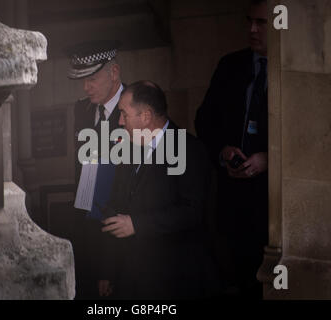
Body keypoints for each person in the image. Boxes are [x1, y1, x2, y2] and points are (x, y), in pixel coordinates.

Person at [99, 81, 219, 299]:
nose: (119, 121)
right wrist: (107, 271)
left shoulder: (189, 149)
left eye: (124, 114)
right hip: (131, 280)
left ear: (145, 116)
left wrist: (137, 224)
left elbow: (192, 212)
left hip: (174, 282)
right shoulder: (128, 149)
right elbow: (115, 208)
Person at [194, 0, 269, 299]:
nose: (252, 29)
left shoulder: (295, 72)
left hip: (274, 204)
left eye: (261, 22)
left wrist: (270, 161)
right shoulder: (231, 65)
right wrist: (223, 150)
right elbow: (204, 120)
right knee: (241, 277)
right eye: (249, 20)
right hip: (233, 199)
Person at [65, 40, 124, 299]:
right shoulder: (83, 109)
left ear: (114, 73)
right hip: (86, 223)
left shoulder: (137, 108)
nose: (85, 87)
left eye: (92, 78)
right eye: (82, 79)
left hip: (122, 229)